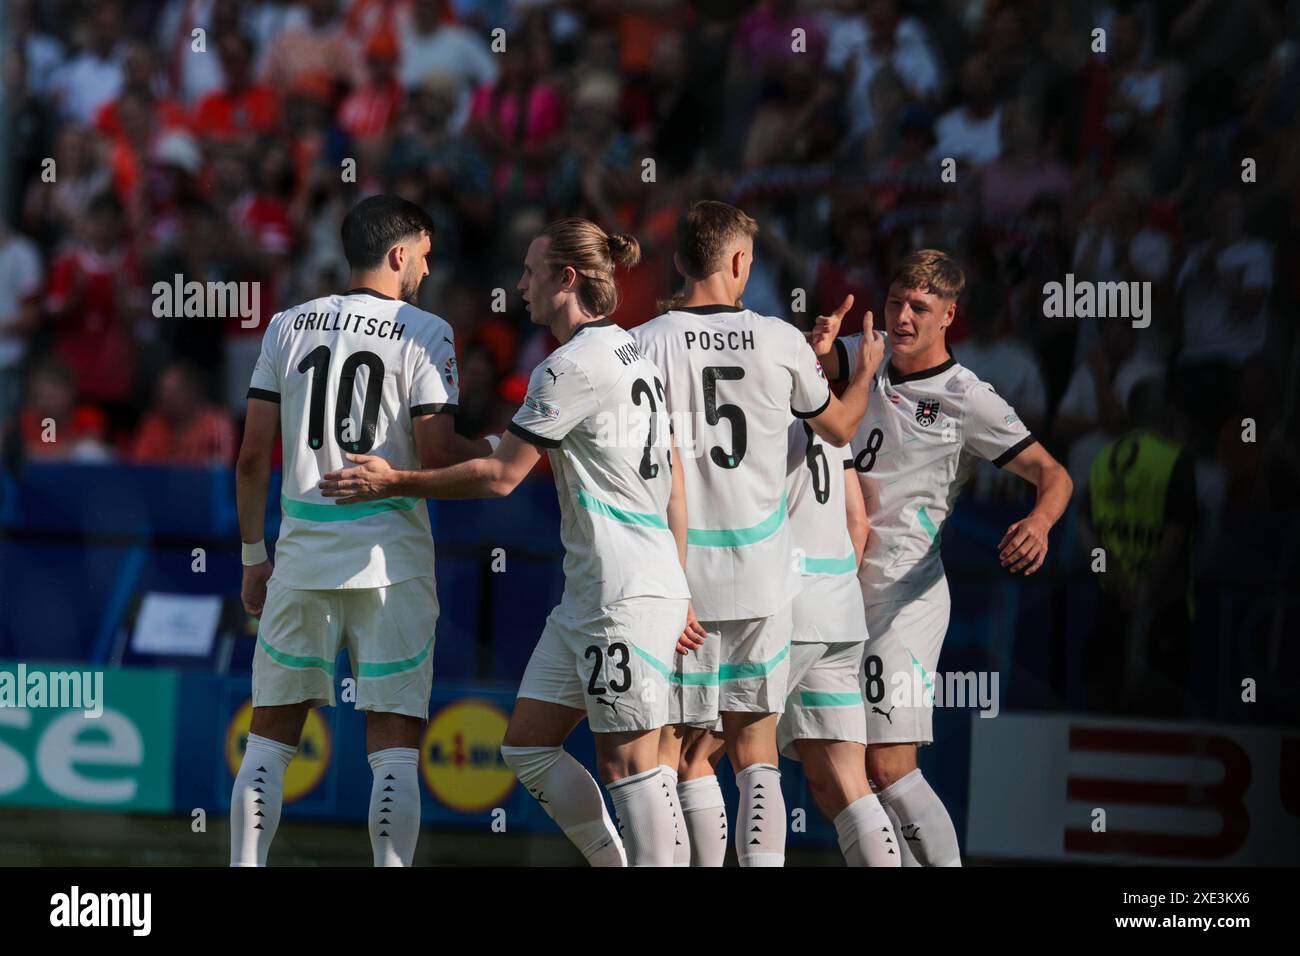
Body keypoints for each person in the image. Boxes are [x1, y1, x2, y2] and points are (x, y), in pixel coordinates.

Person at [320, 219, 697, 867]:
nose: (518, 285)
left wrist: (394, 482)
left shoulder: (568, 367)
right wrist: (681, 584)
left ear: (566, 279)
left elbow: (500, 479)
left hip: (622, 594)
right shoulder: (635, 353)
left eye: (530, 271)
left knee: (631, 761)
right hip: (603, 592)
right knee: (527, 746)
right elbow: (676, 480)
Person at [231, 195, 490, 867]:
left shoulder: (286, 325)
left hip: (299, 562)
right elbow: (435, 456)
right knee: (395, 748)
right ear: (400, 254)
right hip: (390, 564)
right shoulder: (426, 330)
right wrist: (499, 447)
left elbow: (253, 455)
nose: (427, 272)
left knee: (268, 742)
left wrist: (253, 556)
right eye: (425, 257)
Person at [630, 200, 879, 866]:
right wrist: (863, 371)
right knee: (755, 754)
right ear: (740, 261)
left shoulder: (647, 343)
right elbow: (838, 429)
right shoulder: (779, 340)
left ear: (680, 261)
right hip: (768, 578)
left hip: (684, 582)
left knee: (672, 751)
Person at [813, 249, 1073, 866]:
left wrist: (1039, 520)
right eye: (897, 301)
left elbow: (1052, 472)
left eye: (919, 308)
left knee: (888, 762)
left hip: (904, 593)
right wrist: (815, 342)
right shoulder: (865, 352)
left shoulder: (966, 396)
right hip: (833, 583)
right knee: (832, 770)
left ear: (948, 315)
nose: (902, 317)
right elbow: (804, 362)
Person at [776, 417, 900, 866]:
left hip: (780, 609)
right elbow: (858, 521)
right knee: (838, 784)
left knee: (700, 756)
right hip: (838, 609)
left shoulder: (756, 397)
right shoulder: (833, 411)